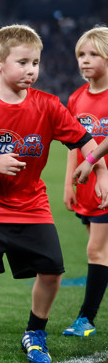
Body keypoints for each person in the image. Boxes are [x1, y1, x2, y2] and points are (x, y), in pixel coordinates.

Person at [0, 24, 108, 363]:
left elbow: (85, 141)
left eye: (36, 63)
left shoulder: (49, 106)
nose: (31, 70)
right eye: (23, 62)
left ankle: (35, 332)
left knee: (52, 271)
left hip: (31, 205)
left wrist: (97, 170)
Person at [62, 26, 108, 338]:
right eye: (81, 54)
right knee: (100, 250)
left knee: (96, 250)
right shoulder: (76, 98)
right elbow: (73, 143)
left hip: (104, 182)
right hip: (87, 184)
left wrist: (93, 163)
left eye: (93, 54)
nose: (85, 61)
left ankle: (85, 319)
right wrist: (68, 183)